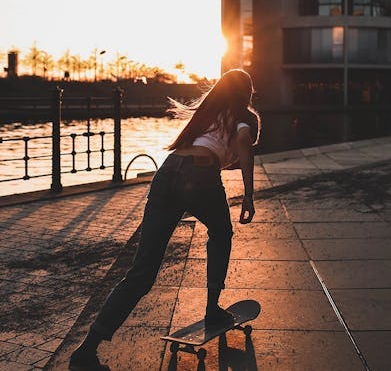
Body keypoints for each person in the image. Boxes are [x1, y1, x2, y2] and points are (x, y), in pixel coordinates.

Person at [69, 68, 261, 371]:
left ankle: (86, 350)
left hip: (167, 173)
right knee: (222, 234)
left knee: (141, 273)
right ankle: (212, 309)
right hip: (200, 175)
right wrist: (248, 195)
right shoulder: (244, 119)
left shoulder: (207, 114)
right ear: (247, 93)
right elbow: (244, 144)